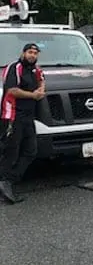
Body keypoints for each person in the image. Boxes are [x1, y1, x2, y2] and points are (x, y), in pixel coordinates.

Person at [0, 43, 45, 204]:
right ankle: (5, 183)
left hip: (28, 116)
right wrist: (33, 95)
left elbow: (41, 79)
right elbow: (12, 90)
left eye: (35, 53)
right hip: (12, 115)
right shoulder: (14, 68)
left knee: (31, 150)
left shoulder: (35, 69)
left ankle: (9, 181)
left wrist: (41, 89)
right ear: (23, 53)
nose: (32, 55)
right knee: (11, 151)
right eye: (30, 52)